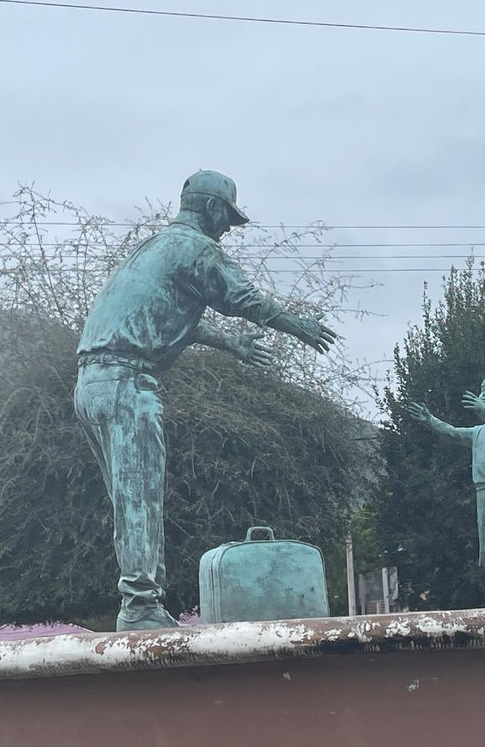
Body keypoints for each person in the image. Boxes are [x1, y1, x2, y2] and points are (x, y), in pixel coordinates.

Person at [74, 170, 336, 631]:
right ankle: (139, 608)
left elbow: (166, 318)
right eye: (228, 220)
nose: (227, 231)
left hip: (93, 383)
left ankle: (142, 603)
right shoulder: (197, 248)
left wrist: (230, 344)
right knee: (140, 498)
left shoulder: (156, 248)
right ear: (213, 208)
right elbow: (242, 297)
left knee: (128, 499)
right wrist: (300, 326)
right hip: (127, 384)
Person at [407, 377, 485, 607]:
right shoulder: (478, 433)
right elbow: (453, 433)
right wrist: (430, 420)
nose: (483, 394)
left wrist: (484, 411)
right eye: (482, 389)